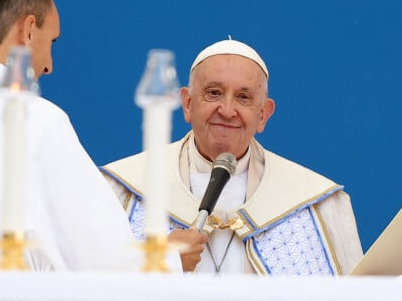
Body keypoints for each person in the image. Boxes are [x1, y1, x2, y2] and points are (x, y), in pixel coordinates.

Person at [102, 38, 363, 275]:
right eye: (214, 93)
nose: (227, 110)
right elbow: (91, 282)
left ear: (263, 114)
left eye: (243, 97)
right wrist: (161, 261)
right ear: (188, 104)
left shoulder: (318, 204)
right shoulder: (121, 190)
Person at [0, 0, 140, 271]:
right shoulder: (36, 120)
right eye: (51, 42)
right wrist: (168, 259)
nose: (49, 66)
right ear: (27, 31)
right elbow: (103, 257)